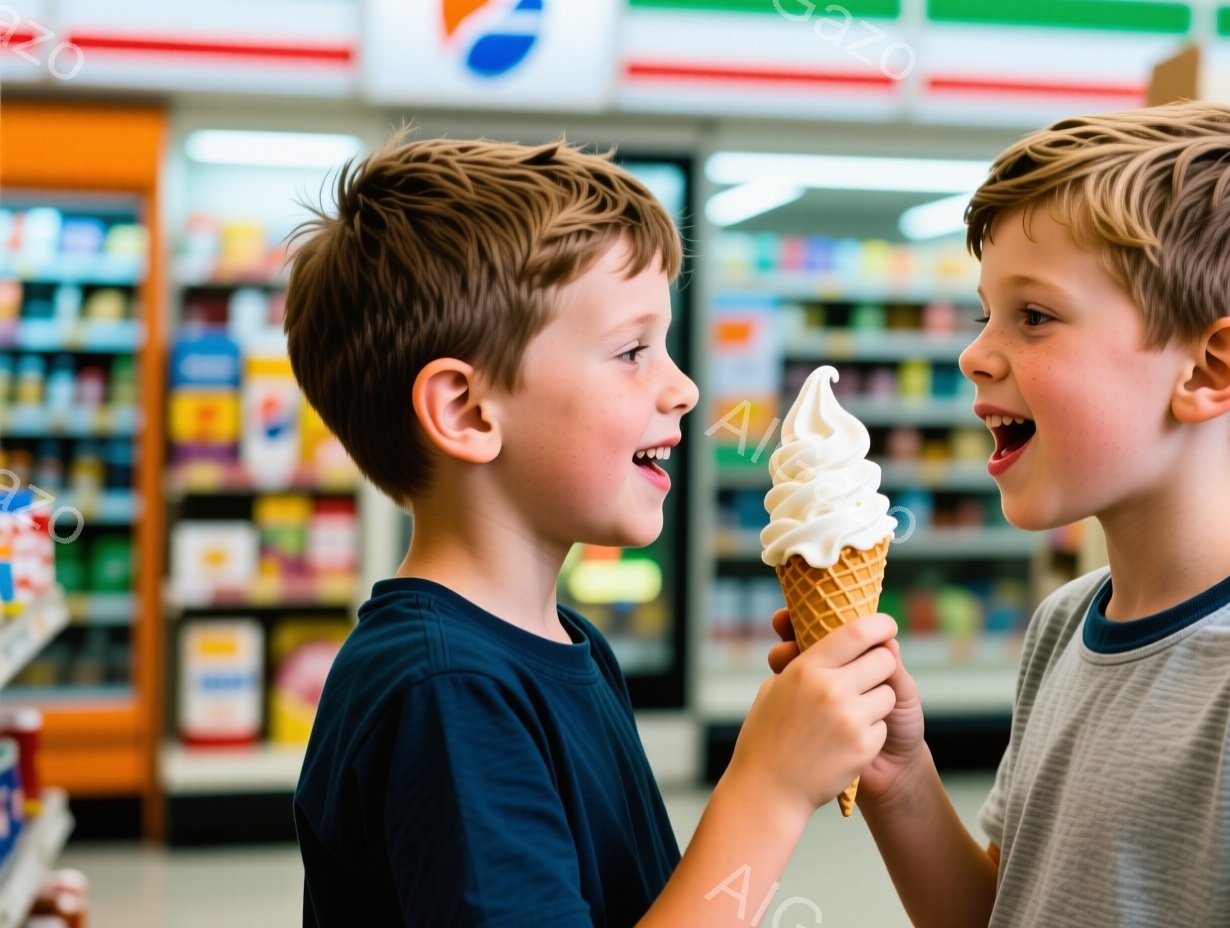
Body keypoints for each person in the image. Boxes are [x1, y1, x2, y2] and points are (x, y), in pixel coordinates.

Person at [766, 101, 1230, 925]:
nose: (973, 354)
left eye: (1035, 317)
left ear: (1208, 369)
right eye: (987, 313)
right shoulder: (1063, 628)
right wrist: (897, 772)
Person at [285, 135, 900, 927]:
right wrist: (769, 790)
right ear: (466, 411)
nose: (682, 387)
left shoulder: (569, 649)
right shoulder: (448, 695)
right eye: (633, 350)